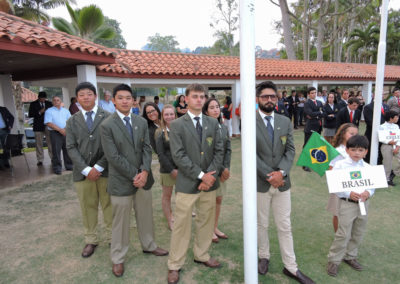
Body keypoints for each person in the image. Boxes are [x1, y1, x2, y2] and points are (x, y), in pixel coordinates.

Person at [100, 84, 168, 278]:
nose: (124, 101)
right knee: (120, 222)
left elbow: (147, 148)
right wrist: (135, 174)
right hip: (121, 181)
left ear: (133, 101)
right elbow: (112, 156)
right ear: (113, 100)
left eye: (128, 98)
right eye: (120, 98)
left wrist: (145, 172)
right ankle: (118, 258)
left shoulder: (140, 121)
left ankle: (149, 245)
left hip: (143, 179)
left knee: (145, 215)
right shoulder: (107, 125)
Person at [255, 81, 314, 284]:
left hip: (283, 183)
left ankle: (291, 267)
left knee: (284, 225)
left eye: (273, 96)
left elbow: (290, 149)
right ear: (257, 99)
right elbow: (250, 154)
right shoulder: (249, 121)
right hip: (261, 183)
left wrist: (281, 173)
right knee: (261, 224)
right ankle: (264, 256)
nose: (269, 100)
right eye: (265, 96)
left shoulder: (284, 121)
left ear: (277, 98)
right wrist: (269, 175)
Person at [167, 83, 224, 284]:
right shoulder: (176, 125)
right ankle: (174, 264)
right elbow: (178, 155)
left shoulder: (213, 123)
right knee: (182, 225)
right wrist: (201, 175)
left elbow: (219, 152)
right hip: (187, 184)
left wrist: (210, 177)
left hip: (210, 184)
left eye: (202, 96)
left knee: (206, 222)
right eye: (195, 96)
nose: (199, 100)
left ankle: (202, 254)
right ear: (187, 99)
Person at [66, 82, 112, 258]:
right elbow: (71, 147)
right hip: (82, 174)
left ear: (95, 96)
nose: (86, 97)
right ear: (77, 99)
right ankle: (91, 239)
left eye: (89, 94)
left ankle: (112, 237)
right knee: (88, 207)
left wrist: (98, 166)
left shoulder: (108, 117)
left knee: (109, 206)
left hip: (105, 171)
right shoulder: (72, 121)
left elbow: (111, 145)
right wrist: (86, 169)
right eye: (82, 95)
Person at [327, 135, 375, 277]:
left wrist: (368, 192)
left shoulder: (367, 167)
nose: (357, 153)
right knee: (343, 233)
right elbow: (334, 185)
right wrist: (348, 193)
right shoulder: (340, 166)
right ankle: (334, 261)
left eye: (360, 150)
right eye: (353, 149)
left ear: (366, 152)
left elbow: (372, 186)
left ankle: (350, 256)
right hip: (347, 204)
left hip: (363, 204)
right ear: (347, 150)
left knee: (358, 231)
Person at [203, 98, 231, 243]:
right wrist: (218, 169)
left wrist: (226, 168)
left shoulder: (224, 127)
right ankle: (207, 230)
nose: (215, 110)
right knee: (209, 202)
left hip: (222, 171)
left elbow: (227, 150)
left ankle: (214, 227)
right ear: (206, 111)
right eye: (212, 107)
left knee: (218, 199)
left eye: (217, 107)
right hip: (209, 171)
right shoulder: (203, 127)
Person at [327, 123, 358, 233]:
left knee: (351, 213)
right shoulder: (337, 151)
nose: (354, 136)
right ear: (343, 134)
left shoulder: (356, 150)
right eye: (351, 133)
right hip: (339, 187)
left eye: (356, 134)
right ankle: (338, 236)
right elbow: (331, 170)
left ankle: (348, 236)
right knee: (338, 213)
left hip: (353, 187)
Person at [155, 104, 178, 230]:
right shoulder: (160, 133)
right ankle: (170, 219)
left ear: (175, 115)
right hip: (167, 170)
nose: (169, 116)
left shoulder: (180, 129)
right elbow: (161, 154)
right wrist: (171, 170)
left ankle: (180, 217)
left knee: (181, 195)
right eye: (166, 114)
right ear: (163, 116)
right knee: (167, 196)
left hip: (181, 170)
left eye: (171, 114)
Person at [44, 96, 72, 175]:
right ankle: (57, 168)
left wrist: (65, 129)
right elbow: (48, 123)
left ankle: (69, 166)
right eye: (54, 100)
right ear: (52, 102)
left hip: (66, 132)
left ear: (61, 101)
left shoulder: (66, 111)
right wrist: (60, 130)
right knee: (56, 151)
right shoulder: (49, 111)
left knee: (67, 149)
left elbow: (70, 121)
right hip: (55, 133)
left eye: (58, 100)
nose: (56, 101)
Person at [28, 91, 53, 166]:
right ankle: (40, 159)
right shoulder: (33, 104)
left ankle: (53, 158)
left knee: (50, 143)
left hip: (48, 125)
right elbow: (30, 114)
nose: (43, 100)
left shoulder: (49, 103)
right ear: (38, 98)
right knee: (39, 143)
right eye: (42, 98)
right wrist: (39, 112)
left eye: (44, 98)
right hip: (38, 126)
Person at [303, 87, 324, 172]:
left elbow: (324, 112)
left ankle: (314, 162)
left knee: (316, 145)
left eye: (315, 92)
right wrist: (319, 113)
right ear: (308, 94)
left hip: (318, 126)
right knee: (308, 145)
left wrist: (316, 115)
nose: (314, 94)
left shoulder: (319, 102)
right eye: (312, 93)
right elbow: (310, 113)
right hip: (310, 127)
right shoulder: (307, 103)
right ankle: (305, 164)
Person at [363, 94, 389, 163]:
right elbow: (369, 121)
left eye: (382, 94)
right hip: (372, 134)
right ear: (374, 95)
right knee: (370, 152)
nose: (382, 96)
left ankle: (379, 166)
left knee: (381, 152)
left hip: (384, 135)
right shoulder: (368, 107)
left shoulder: (386, 106)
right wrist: (382, 127)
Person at [379, 110, 400, 186]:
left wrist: (397, 147)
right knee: (387, 163)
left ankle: (394, 173)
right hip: (386, 146)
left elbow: (398, 137)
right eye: (396, 117)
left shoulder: (396, 126)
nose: (397, 118)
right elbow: (381, 138)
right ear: (391, 118)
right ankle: (387, 179)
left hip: (397, 146)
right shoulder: (382, 127)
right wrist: (389, 142)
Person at [0, 105, 14, 170]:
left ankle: (6, 163)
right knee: (0, 148)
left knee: (5, 147)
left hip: (4, 130)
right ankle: (1, 164)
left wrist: (10, 125)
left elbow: (11, 117)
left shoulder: (3, 109)